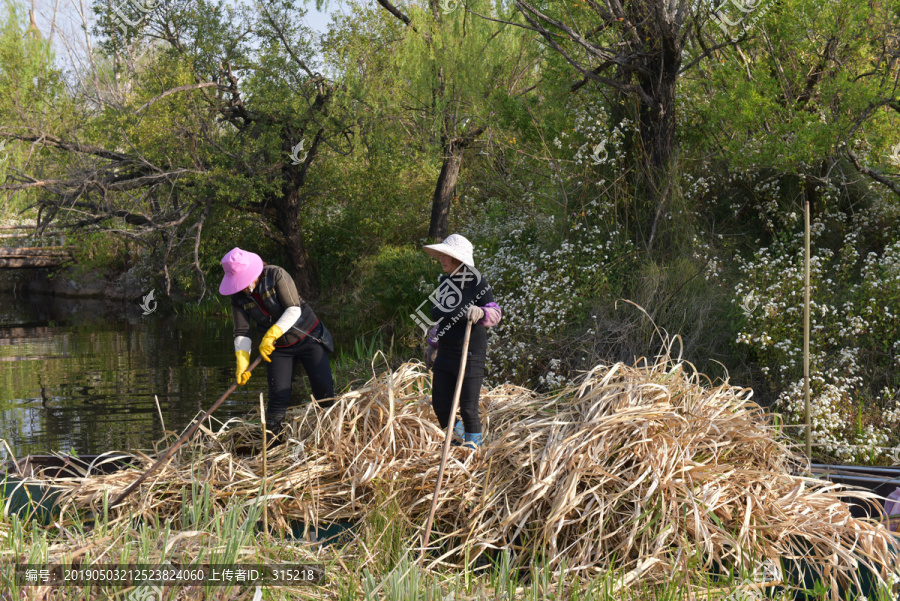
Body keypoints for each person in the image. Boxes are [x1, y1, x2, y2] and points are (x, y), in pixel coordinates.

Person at [218, 247, 335, 432]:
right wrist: (242, 361)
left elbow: (293, 309)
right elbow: (242, 331)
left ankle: (329, 434)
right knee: (278, 399)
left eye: (246, 281)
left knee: (324, 391)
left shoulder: (276, 274)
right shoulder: (237, 297)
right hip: (278, 348)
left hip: (309, 337)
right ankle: (272, 443)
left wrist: (271, 334)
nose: (244, 287)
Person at [423, 234, 502, 448]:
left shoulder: (477, 283)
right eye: (440, 254)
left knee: (468, 408)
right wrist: (432, 345)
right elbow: (442, 318)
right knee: (440, 405)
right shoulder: (446, 283)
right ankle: (458, 442)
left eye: (445, 255)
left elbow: (495, 313)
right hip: (446, 353)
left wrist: (481, 312)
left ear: (458, 258)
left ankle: (472, 452)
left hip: (470, 354)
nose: (441, 258)